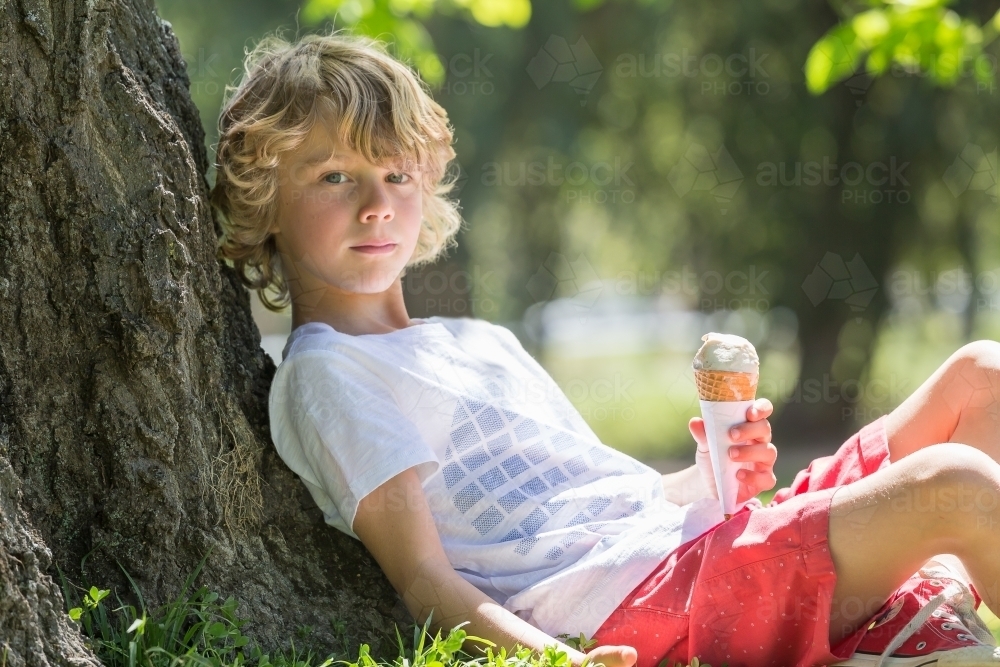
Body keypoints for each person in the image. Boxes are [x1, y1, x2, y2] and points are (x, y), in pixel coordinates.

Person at [210, 30, 1000, 667]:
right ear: (263, 198)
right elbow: (424, 577)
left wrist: (706, 477)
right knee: (958, 484)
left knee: (981, 375)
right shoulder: (326, 373)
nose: (378, 205)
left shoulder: (481, 341)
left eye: (394, 172)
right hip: (644, 602)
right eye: (336, 177)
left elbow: (601, 499)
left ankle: (898, 614)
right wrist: (557, 661)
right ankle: (904, 612)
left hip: (696, 544)